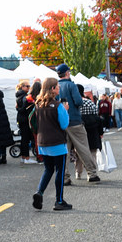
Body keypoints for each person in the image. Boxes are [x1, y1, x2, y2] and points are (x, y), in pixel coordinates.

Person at [32, 77, 72, 211]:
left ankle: (40, 191)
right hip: (57, 143)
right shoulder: (58, 105)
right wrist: (65, 110)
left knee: (48, 169)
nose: (59, 88)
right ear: (53, 89)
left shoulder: (38, 104)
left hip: (43, 142)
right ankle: (59, 200)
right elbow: (64, 124)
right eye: (57, 86)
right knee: (59, 171)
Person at [56, 64, 100, 184]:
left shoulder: (56, 86)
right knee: (83, 148)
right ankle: (92, 174)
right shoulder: (71, 85)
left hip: (61, 123)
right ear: (67, 73)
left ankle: (65, 177)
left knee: (64, 151)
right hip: (75, 121)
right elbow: (79, 101)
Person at [15, 79, 36, 164]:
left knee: (24, 139)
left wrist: (17, 108)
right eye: (27, 86)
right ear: (22, 87)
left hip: (21, 119)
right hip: (25, 119)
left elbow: (19, 108)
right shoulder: (26, 97)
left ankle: (24, 157)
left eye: (29, 86)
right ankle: (26, 158)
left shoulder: (19, 95)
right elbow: (24, 109)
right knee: (26, 139)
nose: (29, 88)